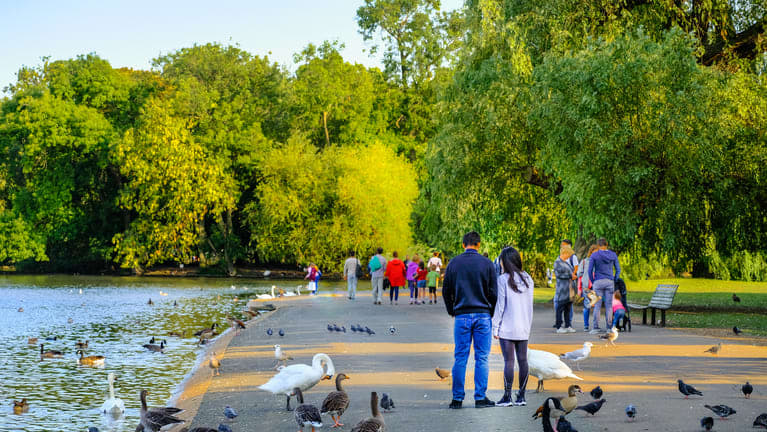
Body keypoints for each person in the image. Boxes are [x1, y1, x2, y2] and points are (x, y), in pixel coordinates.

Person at [443, 231, 498, 409]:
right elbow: (494, 293)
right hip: (482, 313)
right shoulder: (487, 264)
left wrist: (452, 309)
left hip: (462, 315)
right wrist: (490, 310)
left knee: (460, 357)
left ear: (463, 244)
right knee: (481, 357)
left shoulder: (454, 263)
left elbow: (446, 291)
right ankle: (480, 397)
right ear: (479, 245)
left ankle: (457, 399)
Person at [492, 246, 534, 407]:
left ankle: (507, 396)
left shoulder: (502, 279)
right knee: (523, 361)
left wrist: (495, 327)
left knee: (509, 361)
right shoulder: (528, 278)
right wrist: (527, 326)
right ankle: (521, 396)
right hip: (523, 326)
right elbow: (529, 306)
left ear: (504, 261)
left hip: (507, 327)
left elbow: (500, 306)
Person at [588, 238, 621, 334]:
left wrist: (593, 280)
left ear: (598, 246)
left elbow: (590, 270)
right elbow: (618, 269)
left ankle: (596, 328)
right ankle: (609, 327)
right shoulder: (613, 255)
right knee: (609, 306)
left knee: (597, 305)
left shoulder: (594, 255)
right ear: (607, 245)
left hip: (598, 281)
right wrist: (614, 279)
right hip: (609, 281)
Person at [554, 239, 578, 327]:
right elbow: (559, 275)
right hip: (562, 289)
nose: (569, 256)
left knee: (568, 308)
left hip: (569, 288)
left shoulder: (566, 263)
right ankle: (559, 325)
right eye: (568, 254)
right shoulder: (558, 263)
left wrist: (573, 275)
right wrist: (570, 276)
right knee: (560, 308)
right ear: (564, 253)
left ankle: (568, 325)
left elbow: (572, 271)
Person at [577, 245, 599, 332]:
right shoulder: (584, 262)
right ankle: (587, 325)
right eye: (595, 252)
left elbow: (579, 273)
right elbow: (579, 274)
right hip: (588, 286)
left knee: (595, 305)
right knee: (588, 305)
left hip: (595, 285)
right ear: (591, 252)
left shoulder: (597, 262)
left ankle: (592, 326)